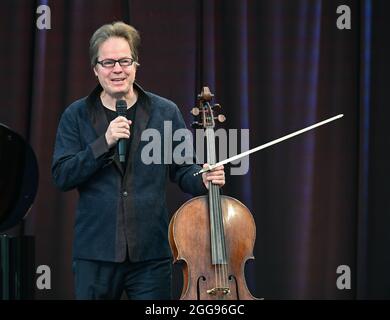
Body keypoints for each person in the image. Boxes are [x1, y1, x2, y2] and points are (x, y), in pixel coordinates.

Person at [51, 21, 225, 300]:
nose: (117, 69)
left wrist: (202, 178)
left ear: (135, 65)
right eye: (108, 62)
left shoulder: (165, 112)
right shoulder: (76, 115)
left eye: (124, 60)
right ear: (95, 69)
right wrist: (102, 143)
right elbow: (62, 175)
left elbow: (184, 169)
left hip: (150, 256)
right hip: (95, 255)